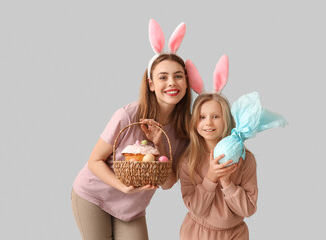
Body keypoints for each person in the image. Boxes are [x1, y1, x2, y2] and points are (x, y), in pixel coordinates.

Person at [71, 19, 191, 240]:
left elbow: (167, 183)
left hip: (131, 208)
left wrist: (160, 144)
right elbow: (94, 161)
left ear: (186, 82)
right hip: (94, 196)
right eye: (163, 77)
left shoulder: (185, 129)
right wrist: (122, 186)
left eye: (178, 76)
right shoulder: (128, 115)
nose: (171, 83)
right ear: (151, 84)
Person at [178, 93, 258, 240]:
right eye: (202, 117)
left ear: (226, 119)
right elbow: (196, 208)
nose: (208, 122)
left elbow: (248, 209)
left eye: (215, 116)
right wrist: (211, 177)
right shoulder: (188, 161)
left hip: (235, 234)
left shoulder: (245, 160)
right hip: (196, 233)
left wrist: (227, 183)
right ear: (194, 122)